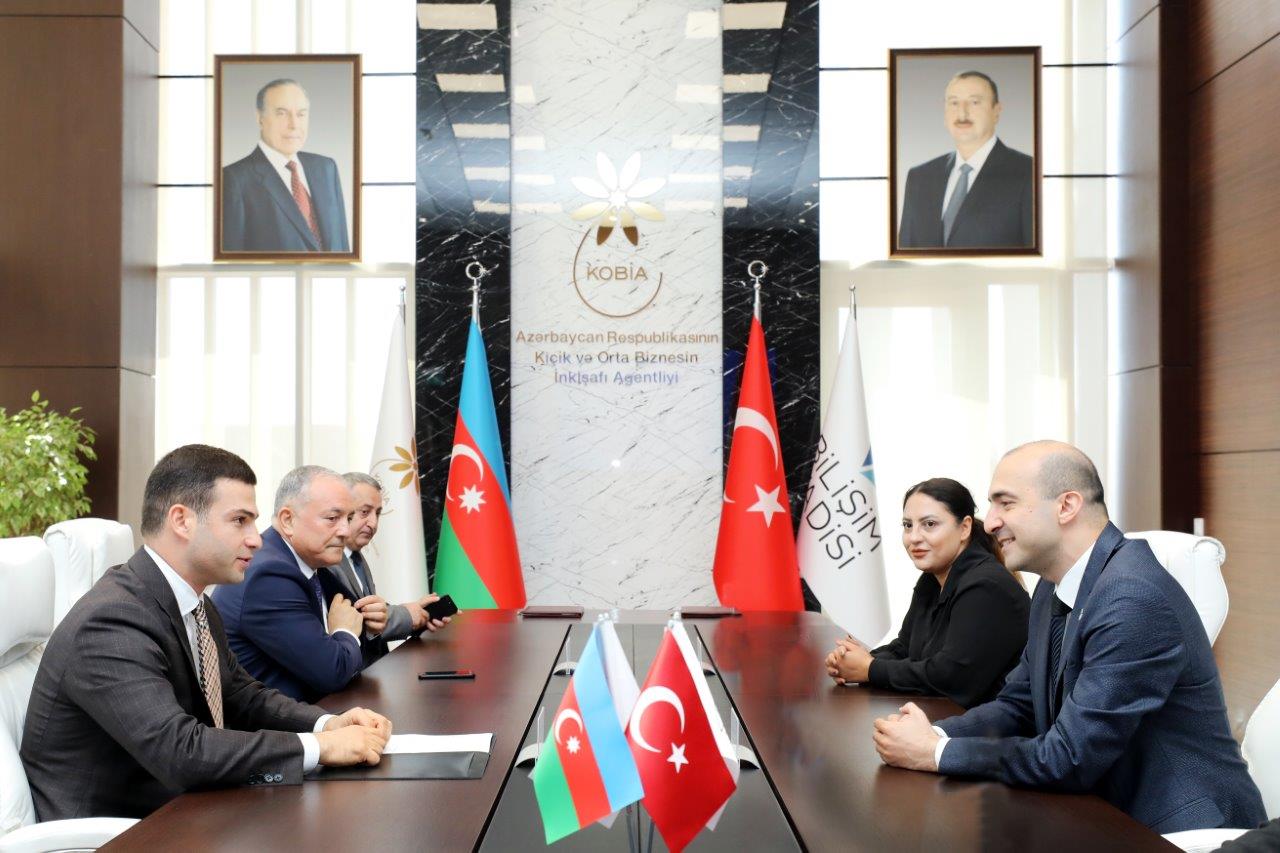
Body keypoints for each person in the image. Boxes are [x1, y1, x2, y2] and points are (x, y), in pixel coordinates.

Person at [872, 441, 1266, 834]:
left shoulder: (1132, 597)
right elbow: (1018, 706)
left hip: (1178, 831)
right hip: (1097, 810)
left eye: (1005, 503)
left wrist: (936, 753)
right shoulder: (1051, 588)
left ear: (1066, 506)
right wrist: (934, 734)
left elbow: (1069, 756)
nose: (989, 523)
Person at [20, 445, 391, 820]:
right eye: (240, 521)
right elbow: (180, 751)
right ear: (182, 520)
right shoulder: (111, 620)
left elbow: (242, 695)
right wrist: (319, 747)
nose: (256, 539)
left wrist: (326, 723)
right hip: (120, 831)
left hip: (183, 808)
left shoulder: (195, 604)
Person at [825, 477, 1028, 708]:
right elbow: (905, 648)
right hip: (943, 717)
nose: (914, 537)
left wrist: (870, 668)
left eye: (929, 524)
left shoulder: (986, 586)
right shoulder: (932, 579)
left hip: (990, 726)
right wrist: (852, 661)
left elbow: (950, 676)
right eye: (907, 525)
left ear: (964, 528)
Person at [212, 465, 365, 701]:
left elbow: (352, 614)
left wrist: (368, 620)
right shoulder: (270, 576)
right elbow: (332, 672)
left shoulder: (310, 561)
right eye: (332, 518)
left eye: (349, 518)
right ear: (288, 520)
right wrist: (345, 631)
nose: (345, 530)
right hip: (273, 721)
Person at [320, 471, 452, 668]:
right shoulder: (327, 561)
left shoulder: (357, 558)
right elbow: (361, 619)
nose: (373, 523)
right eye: (365, 512)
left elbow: (374, 614)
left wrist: (419, 614)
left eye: (378, 513)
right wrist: (408, 615)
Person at [897, 70, 1033, 249]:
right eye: (954, 103)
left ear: (996, 111)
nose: (962, 113)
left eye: (974, 102)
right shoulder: (920, 177)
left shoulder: (1029, 173)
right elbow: (905, 256)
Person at [221, 78, 350, 253]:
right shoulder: (234, 180)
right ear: (260, 118)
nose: (294, 125)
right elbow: (232, 260)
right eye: (282, 113)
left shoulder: (326, 168)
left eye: (301, 114)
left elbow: (342, 245)